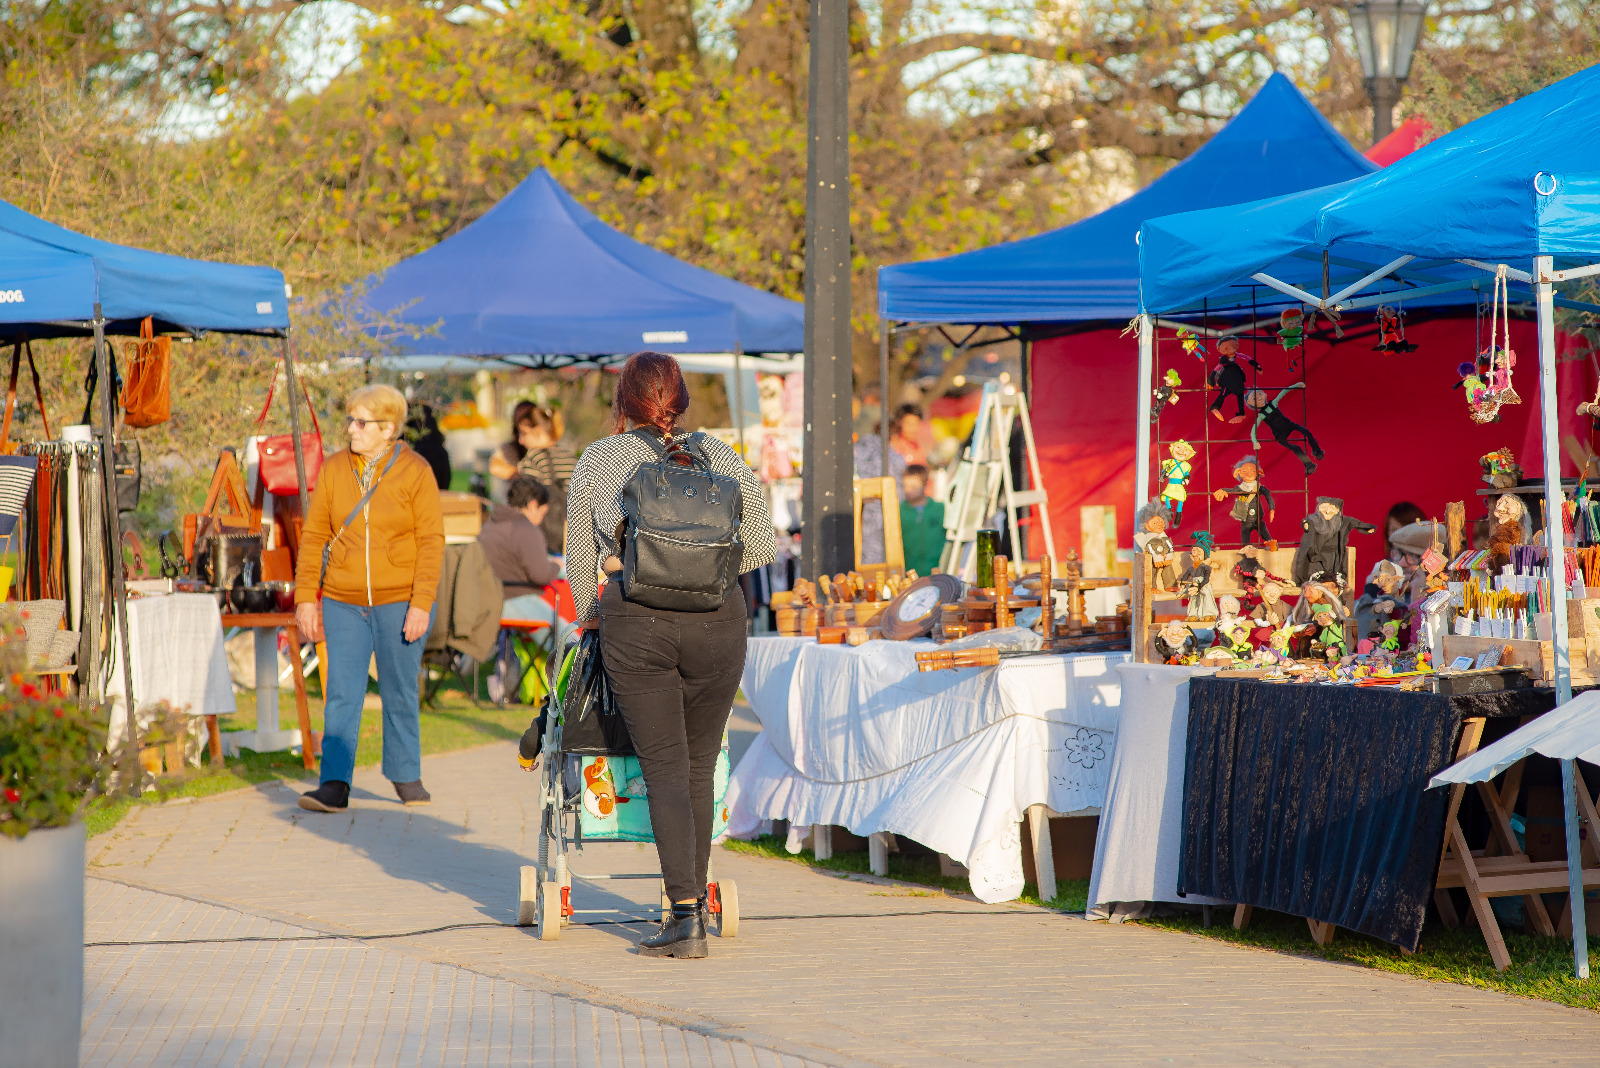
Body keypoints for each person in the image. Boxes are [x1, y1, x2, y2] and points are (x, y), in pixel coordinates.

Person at [561, 352, 775, 959]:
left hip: (640, 623)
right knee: (700, 763)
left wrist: (606, 587)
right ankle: (694, 906)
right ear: (681, 400)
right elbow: (759, 550)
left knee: (663, 767)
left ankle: (685, 916)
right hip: (718, 625)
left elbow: (580, 562)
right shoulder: (723, 458)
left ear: (623, 401)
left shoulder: (599, 461)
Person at [295, 384, 444, 813]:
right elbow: (314, 536)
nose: (351, 429)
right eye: (350, 420)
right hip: (342, 599)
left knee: (399, 688)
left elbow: (432, 541)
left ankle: (405, 774)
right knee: (342, 690)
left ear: (388, 428)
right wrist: (307, 596)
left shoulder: (415, 470)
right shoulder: (334, 468)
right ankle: (334, 783)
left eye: (361, 423)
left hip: (400, 598)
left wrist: (422, 601)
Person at [479, 475, 563, 631]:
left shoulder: (491, 524)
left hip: (485, 601)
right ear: (532, 505)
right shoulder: (526, 529)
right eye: (542, 513)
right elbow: (541, 575)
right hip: (516, 600)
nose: (540, 520)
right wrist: (556, 566)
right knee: (567, 636)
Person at [489, 401, 576, 551]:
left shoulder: (532, 459)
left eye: (523, 433)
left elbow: (524, 499)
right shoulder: (570, 458)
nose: (520, 440)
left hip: (544, 537)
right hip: (573, 533)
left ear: (537, 432)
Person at [898, 464, 945, 575]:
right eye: (905, 486)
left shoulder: (939, 509)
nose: (908, 490)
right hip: (909, 574)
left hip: (937, 573)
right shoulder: (898, 511)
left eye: (913, 487)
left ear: (924, 485)